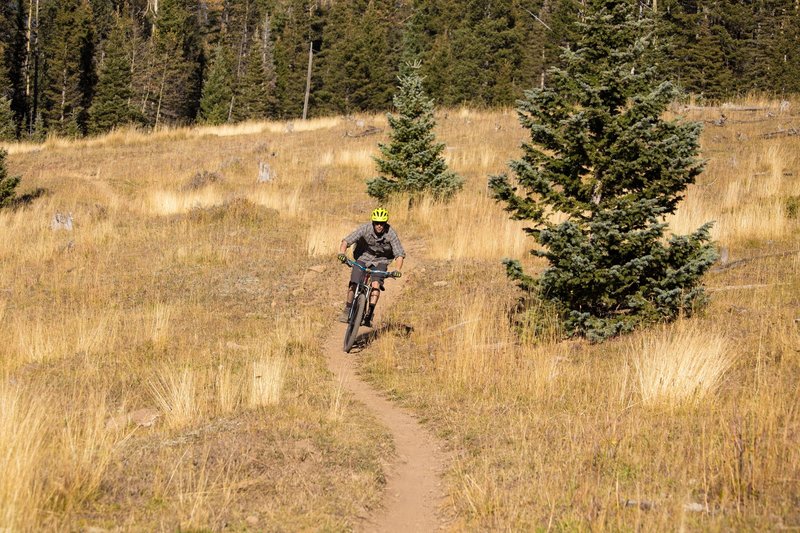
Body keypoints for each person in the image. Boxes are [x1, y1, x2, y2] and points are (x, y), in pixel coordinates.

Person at [337, 207, 405, 327]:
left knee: (375, 284)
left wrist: (398, 269)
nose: (379, 226)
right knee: (354, 282)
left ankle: (369, 313)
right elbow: (347, 241)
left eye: (382, 223)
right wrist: (342, 253)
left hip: (381, 260)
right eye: (377, 223)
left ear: (385, 223)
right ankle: (347, 309)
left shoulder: (391, 233)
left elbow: (399, 253)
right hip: (363, 257)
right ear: (373, 222)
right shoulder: (365, 228)